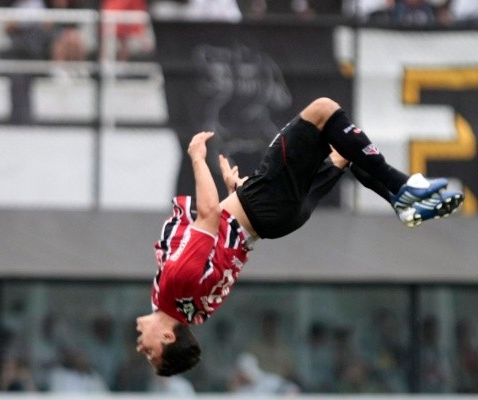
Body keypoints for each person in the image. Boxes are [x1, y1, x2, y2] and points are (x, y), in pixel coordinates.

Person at [135, 97, 464, 376]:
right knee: (323, 110)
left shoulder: (189, 312)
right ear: (167, 337)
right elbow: (208, 215)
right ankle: (401, 187)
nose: (141, 348)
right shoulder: (176, 286)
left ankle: (399, 203)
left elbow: (220, 244)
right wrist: (197, 157)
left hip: (274, 218)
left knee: (341, 149)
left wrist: (233, 193)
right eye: (150, 352)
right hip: (264, 204)